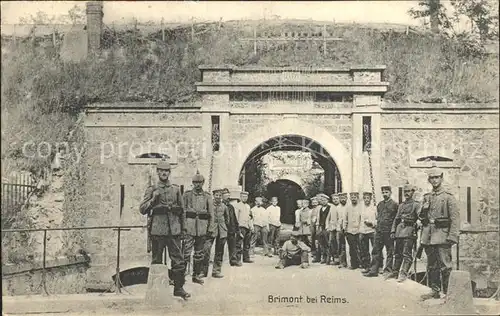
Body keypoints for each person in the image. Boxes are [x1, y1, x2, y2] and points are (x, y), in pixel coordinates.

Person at [139, 158, 190, 299]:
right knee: (157, 260)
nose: (164, 173)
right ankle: (156, 290)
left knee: (178, 260)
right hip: (158, 230)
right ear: (157, 172)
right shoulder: (152, 189)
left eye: (166, 170)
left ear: (169, 172)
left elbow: (182, 211)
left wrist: (183, 229)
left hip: (174, 230)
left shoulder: (176, 189)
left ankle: (178, 288)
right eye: (161, 170)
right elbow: (142, 209)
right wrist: (153, 200)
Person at [419, 165, 460, 300]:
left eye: (437, 177)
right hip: (428, 237)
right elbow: (421, 218)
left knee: (446, 266)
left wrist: (452, 236)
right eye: (432, 178)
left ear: (441, 179)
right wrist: (424, 210)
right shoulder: (427, 197)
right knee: (432, 265)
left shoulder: (448, 197)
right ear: (429, 180)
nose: (435, 180)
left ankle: (448, 294)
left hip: (442, 237)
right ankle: (435, 290)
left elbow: (455, 218)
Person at [182, 170, 214, 285]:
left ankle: (196, 275)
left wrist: (210, 228)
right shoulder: (187, 195)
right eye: (195, 182)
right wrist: (183, 227)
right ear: (192, 183)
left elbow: (211, 214)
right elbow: (182, 212)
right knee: (186, 253)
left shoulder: (207, 197)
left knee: (199, 253)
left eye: (200, 182)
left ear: (203, 183)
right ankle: (181, 276)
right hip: (189, 228)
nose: (198, 184)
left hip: (202, 229)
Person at [364, 186, 399, 278]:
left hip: (389, 232)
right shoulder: (379, 204)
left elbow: (396, 219)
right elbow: (378, 217)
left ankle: (388, 270)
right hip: (379, 231)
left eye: (386, 192)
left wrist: (393, 231)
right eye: (383, 192)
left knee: (390, 251)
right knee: (376, 250)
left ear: (390, 193)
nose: (384, 194)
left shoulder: (395, 204)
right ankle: (373, 270)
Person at [389, 183, 421, 282]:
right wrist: (393, 230)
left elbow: (420, 217)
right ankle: (395, 272)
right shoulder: (401, 205)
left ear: (412, 192)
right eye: (405, 192)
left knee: (406, 254)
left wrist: (418, 223)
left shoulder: (416, 205)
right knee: (397, 253)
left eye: (409, 191)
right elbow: (396, 218)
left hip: (409, 231)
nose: (406, 193)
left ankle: (403, 273)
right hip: (399, 231)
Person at [201, 188, 229, 279]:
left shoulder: (224, 206)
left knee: (219, 252)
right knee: (206, 250)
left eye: (220, 195)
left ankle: (216, 271)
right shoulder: (209, 205)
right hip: (211, 230)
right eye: (216, 195)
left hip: (222, 231)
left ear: (222, 196)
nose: (218, 197)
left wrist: (225, 229)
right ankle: (203, 271)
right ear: (214, 196)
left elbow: (227, 219)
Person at [223, 188, 241, 267]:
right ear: (222, 196)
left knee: (232, 246)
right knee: (220, 246)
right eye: (226, 195)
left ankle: (233, 260)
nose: (228, 197)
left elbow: (234, 218)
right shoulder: (221, 206)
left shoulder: (231, 207)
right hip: (223, 229)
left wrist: (237, 229)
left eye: (228, 195)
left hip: (231, 229)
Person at [359, 192, 377, 272]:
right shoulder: (361, 208)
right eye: (365, 198)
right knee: (364, 250)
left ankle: (377, 266)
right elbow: (359, 219)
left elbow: (377, 219)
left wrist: (372, 223)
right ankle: (366, 266)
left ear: (370, 199)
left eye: (368, 198)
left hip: (372, 231)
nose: (366, 200)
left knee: (375, 249)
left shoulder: (374, 208)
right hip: (363, 231)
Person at [344, 192, 362, 270]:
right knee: (352, 248)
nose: (353, 198)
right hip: (350, 231)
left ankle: (362, 263)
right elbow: (345, 219)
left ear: (357, 198)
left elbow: (362, 218)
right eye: (352, 197)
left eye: (355, 197)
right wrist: (344, 228)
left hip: (359, 230)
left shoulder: (361, 207)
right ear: (350, 198)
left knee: (361, 247)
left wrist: (361, 229)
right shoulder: (348, 208)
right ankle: (354, 264)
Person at [235, 191, 254, 263]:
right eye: (243, 196)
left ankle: (246, 258)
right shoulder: (237, 206)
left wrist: (251, 226)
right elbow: (236, 218)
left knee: (247, 244)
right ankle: (237, 259)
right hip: (241, 227)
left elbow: (250, 217)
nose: (245, 198)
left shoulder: (248, 206)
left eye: (246, 197)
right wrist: (237, 229)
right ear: (240, 197)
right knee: (239, 244)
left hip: (247, 227)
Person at [316, 193, 331, 264]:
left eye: (325, 200)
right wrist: (318, 226)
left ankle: (328, 258)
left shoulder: (330, 208)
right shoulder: (320, 209)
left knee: (327, 242)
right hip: (321, 227)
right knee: (322, 243)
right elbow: (319, 218)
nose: (323, 201)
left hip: (327, 227)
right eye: (322, 200)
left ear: (327, 200)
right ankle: (323, 258)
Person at [326, 193, 340, 265]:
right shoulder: (331, 207)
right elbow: (328, 217)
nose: (335, 200)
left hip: (338, 228)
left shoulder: (340, 207)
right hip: (332, 227)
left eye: (336, 199)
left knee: (338, 243)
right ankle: (334, 258)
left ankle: (339, 259)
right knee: (332, 242)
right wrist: (327, 226)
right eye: (334, 199)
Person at [336, 193, 349, 268]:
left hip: (347, 228)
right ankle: (342, 262)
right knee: (340, 246)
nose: (342, 200)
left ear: (346, 198)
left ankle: (349, 261)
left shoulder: (348, 207)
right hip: (339, 228)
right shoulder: (338, 207)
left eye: (344, 198)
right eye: (341, 198)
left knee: (348, 245)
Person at [309, 196, 321, 262]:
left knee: (317, 240)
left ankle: (318, 254)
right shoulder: (311, 210)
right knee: (312, 239)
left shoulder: (319, 208)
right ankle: (313, 253)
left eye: (315, 202)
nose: (314, 203)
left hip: (317, 225)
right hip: (312, 226)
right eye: (313, 202)